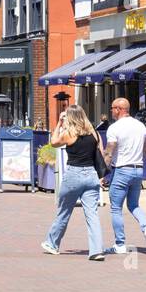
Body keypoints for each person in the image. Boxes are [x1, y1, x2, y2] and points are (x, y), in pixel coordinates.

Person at [41, 105, 105, 260]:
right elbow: (101, 155)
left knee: (64, 211)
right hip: (91, 174)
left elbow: (54, 142)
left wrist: (58, 123)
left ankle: (52, 243)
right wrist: (101, 176)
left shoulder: (69, 133)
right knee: (92, 215)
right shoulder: (95, 134)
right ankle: (96, 250)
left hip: (74, 174)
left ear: (70, 118)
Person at [103, 97, 146, 254]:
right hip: (138, 169)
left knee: (116, 208)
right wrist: (138, 161)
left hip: (121, 169)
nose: (111, 111)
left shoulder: (114, 128)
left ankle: (119, 244)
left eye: (113, 108)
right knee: (134, 204)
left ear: (119, 109)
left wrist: (103, 172)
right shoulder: (140, 126)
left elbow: (109, 152)